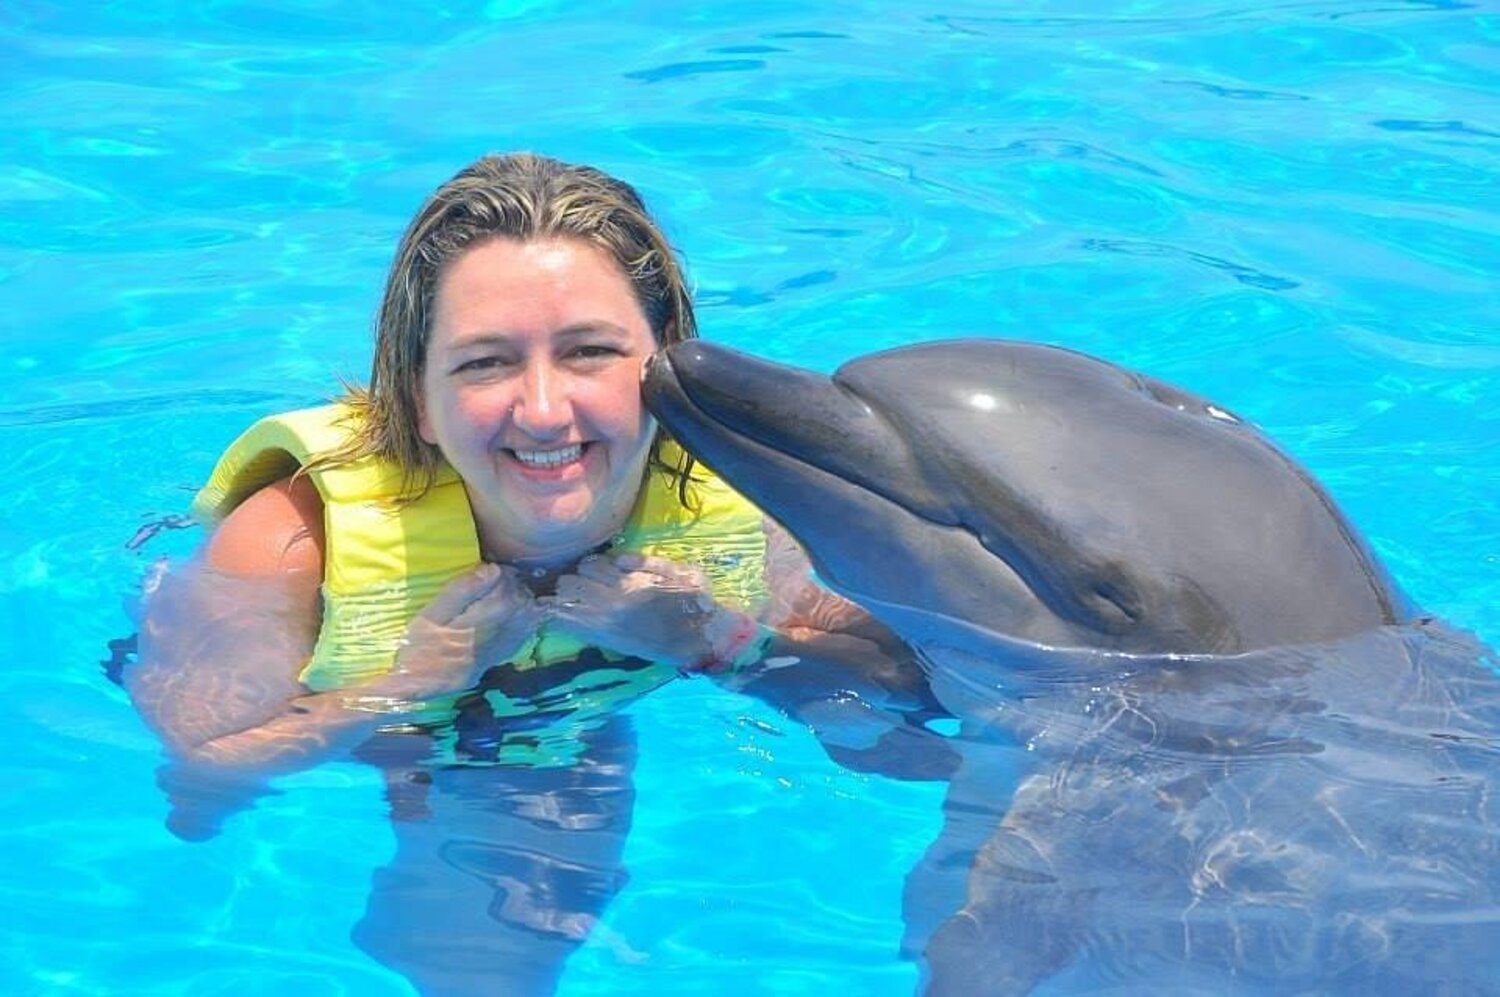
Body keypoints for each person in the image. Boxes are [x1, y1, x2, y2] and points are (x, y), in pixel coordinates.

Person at [125, 152, 936, 995]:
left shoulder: (740, 502)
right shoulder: (296, 544)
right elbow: (200, 775)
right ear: (417, 396)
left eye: (589, 352)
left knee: (536, 924)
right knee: (476, 950)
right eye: (485, 362)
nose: (544, 410)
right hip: (387, 734)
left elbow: (914, 695)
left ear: (663, 365)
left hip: (577, 719)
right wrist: (409, 684)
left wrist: (714, 640)